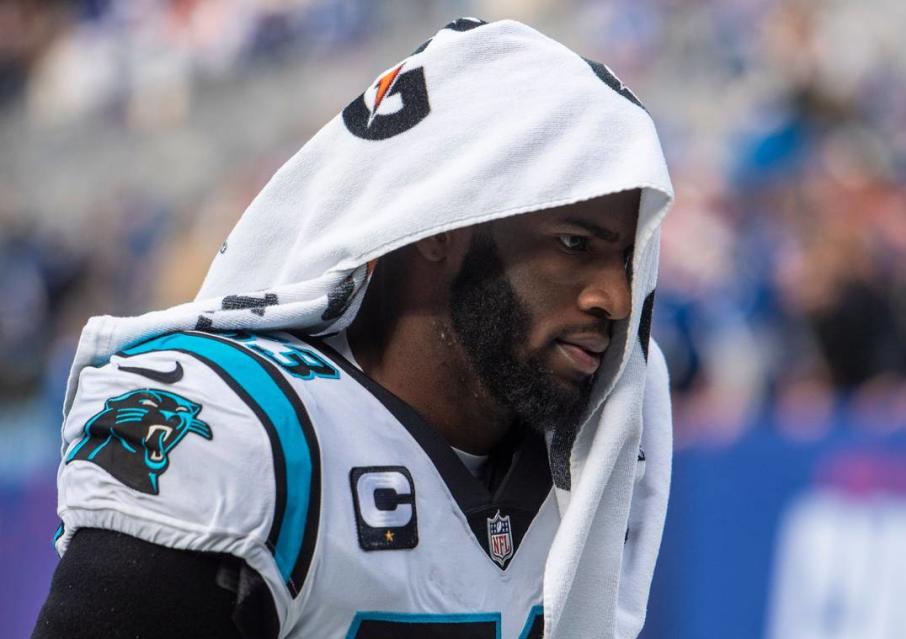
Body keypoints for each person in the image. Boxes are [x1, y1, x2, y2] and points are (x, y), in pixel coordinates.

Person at [33, 18, 674, 639]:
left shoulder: (608, 422)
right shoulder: (236, 430)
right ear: (445, 225)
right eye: (573, 244)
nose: (617, 299)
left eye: (628, 261)